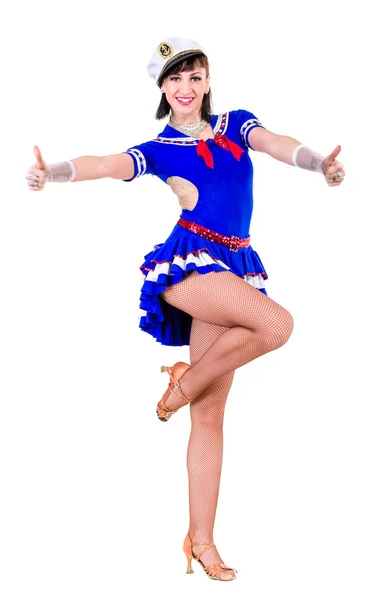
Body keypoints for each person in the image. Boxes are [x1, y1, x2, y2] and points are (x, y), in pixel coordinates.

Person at [25, 37, 345, 582]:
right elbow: (105, 163)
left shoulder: (237, 125)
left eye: (195, 76)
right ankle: (186, 380)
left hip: (237, 266)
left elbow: (276, 143)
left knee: (210, 418)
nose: (186, 88)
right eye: (175, 79)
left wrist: (318, 164)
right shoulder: (160, 148)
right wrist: (51, 172)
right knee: (277, 323)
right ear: (162, 89)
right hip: (191, 270)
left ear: (207, 81)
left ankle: (201, 540)